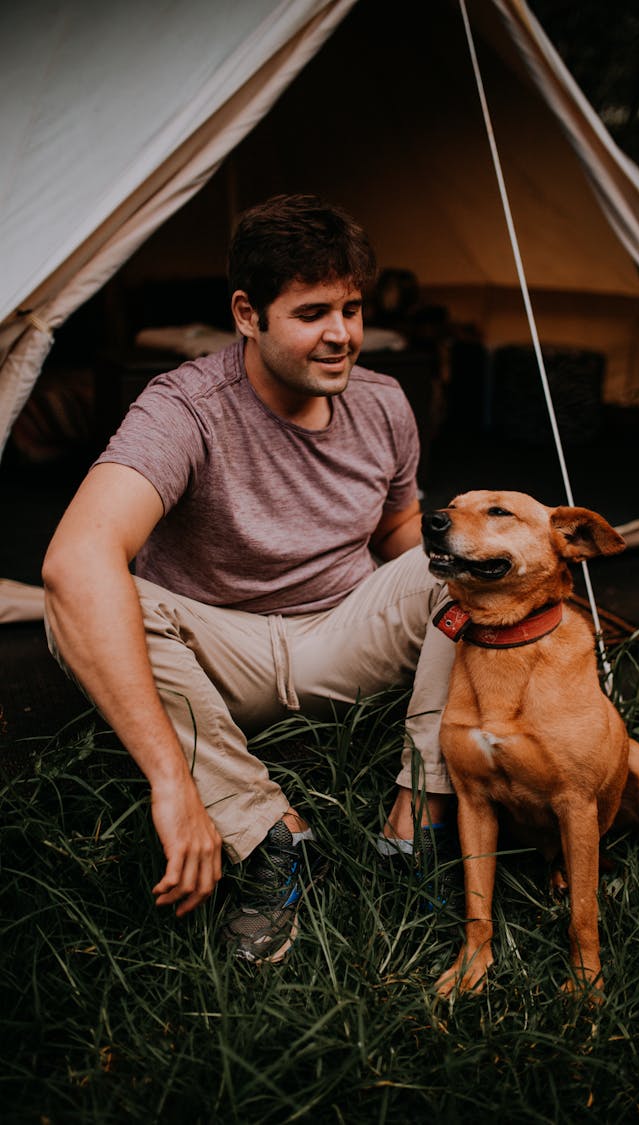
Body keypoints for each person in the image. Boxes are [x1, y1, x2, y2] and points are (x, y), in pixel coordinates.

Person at [42, 193, 457, 964]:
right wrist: (171, 781)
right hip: (218, 651)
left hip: (343, 635)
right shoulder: (184, 407)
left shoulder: (386, 401)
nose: (342, 334)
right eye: (312, 312)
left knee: (459, 565)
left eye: (352, 308)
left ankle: (418, 821)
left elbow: (402, 530)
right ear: (247, 313)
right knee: (85, 592)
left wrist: (469, 607)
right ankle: (273, 837)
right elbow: (75, 557)